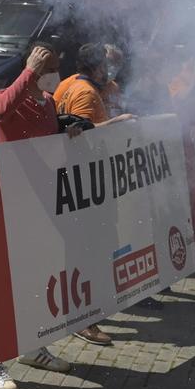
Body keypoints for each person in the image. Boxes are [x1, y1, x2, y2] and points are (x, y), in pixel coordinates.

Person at [0, 42, 82, 389]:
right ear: (36, 70)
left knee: (39, 276)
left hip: (43, 202)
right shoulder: (8, 96)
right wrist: (29, 73)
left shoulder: (49, 103)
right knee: (6, 282)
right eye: (50, 69)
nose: (56, 75)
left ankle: (33, 347)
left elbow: (47, 143)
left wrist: (67, 135)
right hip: (11, 202)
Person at [55, 43, 137, 345]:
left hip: (78, 184)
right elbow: (80, 135)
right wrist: (118, 122)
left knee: (85, 251)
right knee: (93, 252)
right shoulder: (87, 93)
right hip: (86, 184)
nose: (109, 70)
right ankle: (85, 320)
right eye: (105, 65)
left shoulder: (67, 84)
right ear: (97, 67)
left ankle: (83, 313)